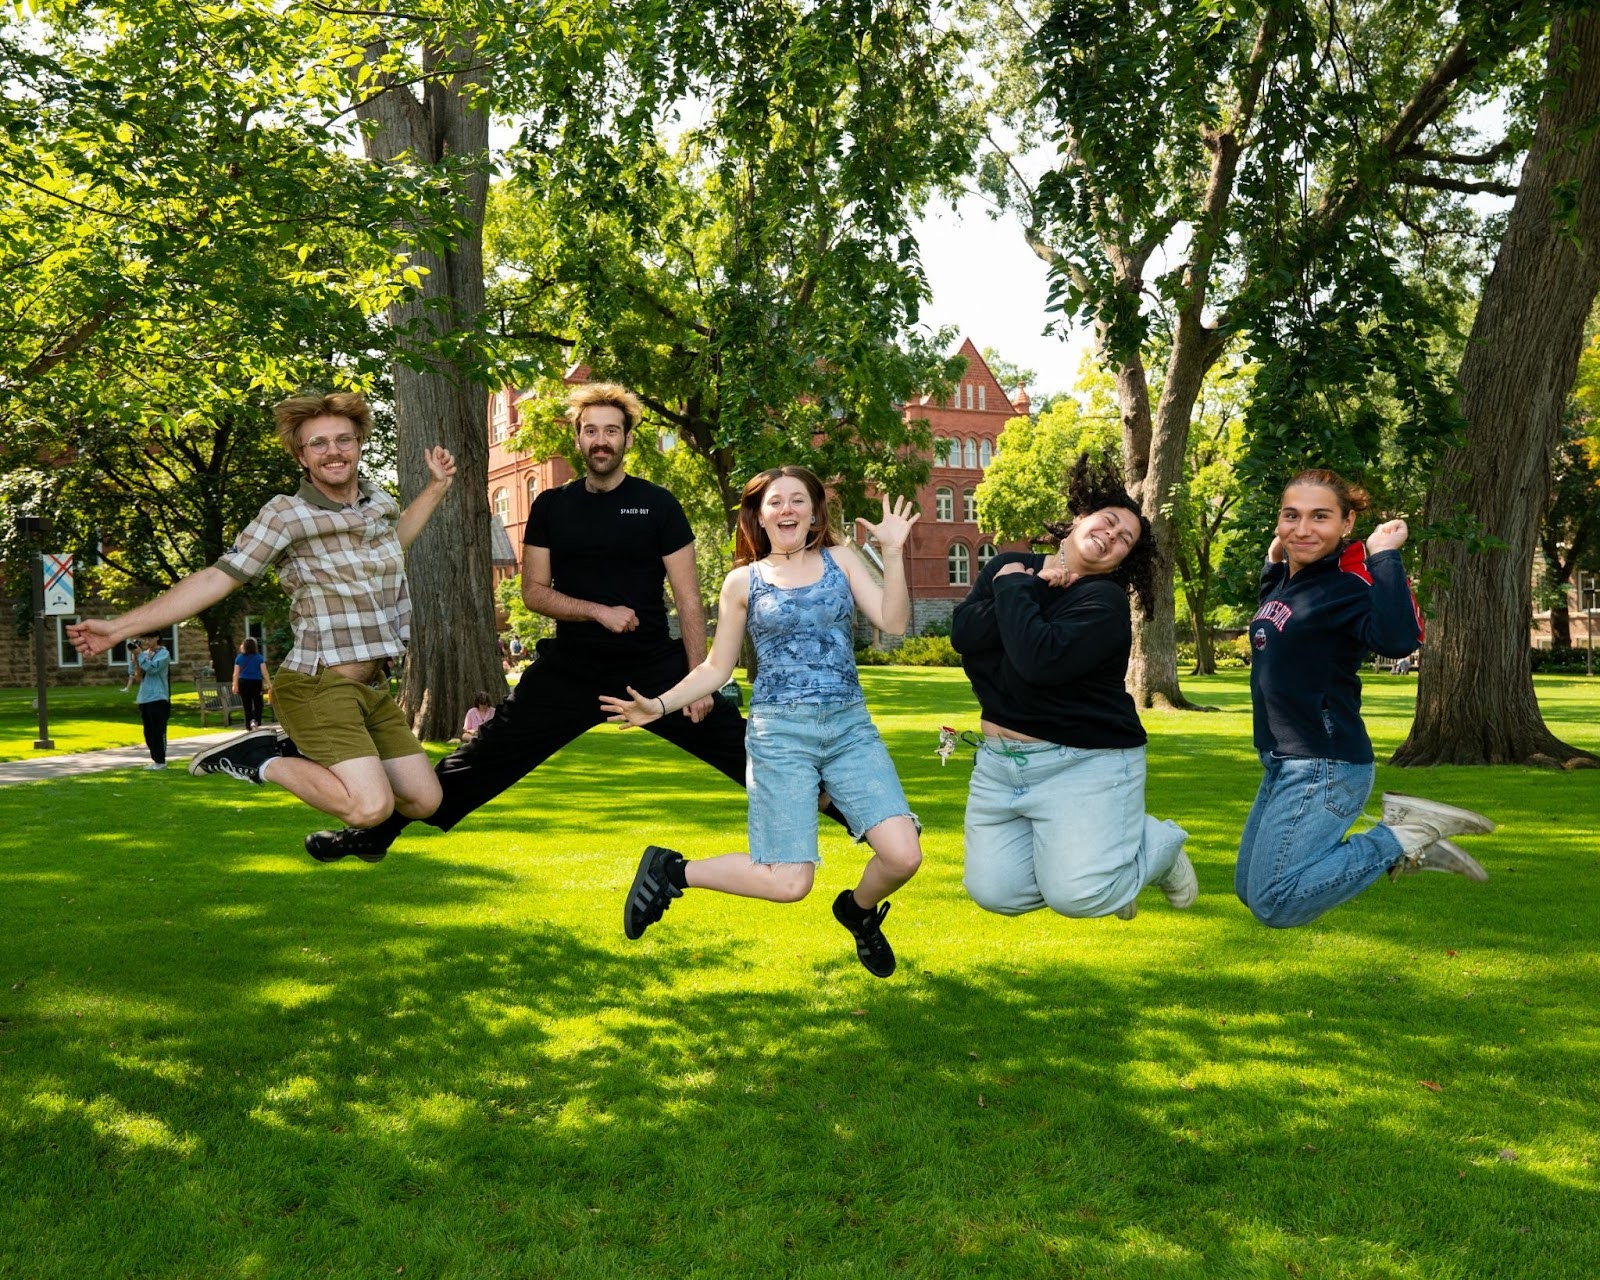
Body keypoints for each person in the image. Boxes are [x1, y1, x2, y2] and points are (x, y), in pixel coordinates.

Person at [300, 382, 842, 866]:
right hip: (572, 670)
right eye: (590, 431)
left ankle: (854, 813)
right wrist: (597, 611)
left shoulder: (658, 505)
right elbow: (534, 592)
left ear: (627, 438)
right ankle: (375, 834)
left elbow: (689, 598)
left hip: (652, 667)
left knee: (744, 749)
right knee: (484, 758)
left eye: (611, 430)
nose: (600, 440)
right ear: (577, 440)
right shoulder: (552, 507)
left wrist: (700, 680)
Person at [68, 392, 456, 835]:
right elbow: (218, 578)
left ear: (359, 444)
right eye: (318, 443)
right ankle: (261, 758)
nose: (334, 451)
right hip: (318, 684)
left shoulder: (376, 503)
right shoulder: (285, 514)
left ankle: (291, 747)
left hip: (372, 687)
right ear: (301, 456)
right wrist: (119, 628)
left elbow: (393, 544)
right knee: (369, 809)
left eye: (344, 439)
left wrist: (436, 488)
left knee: (424, 801)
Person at [601, 466, 924, 978]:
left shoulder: (840, 559)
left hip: (848, 728)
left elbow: (896, 622)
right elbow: (715, 667)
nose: (788, 510)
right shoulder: (742, 582)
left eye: (798, 500)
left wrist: (890, 552)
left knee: (904, 856)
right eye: (776, 502)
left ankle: (857, 912)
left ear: (814, 511)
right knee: (789, 883)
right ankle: (672, 870)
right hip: (781, 735)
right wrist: (659, 705)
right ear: (760, 515)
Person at [1236, 468, 1495, 929]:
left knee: (1275, 901)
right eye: (1291, 515)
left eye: (1320, 517)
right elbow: (1272, 627)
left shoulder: (1350, 585)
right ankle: (1406, 845)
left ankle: (1399, 836)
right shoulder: (1295, 580)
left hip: (1323, 763)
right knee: (1247, 888)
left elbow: (1398, 639)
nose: (1302, 528)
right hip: (1282, 758)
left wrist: (1384, 558)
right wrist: (1273, 566)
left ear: (1346, 524)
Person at [950, 455, 1195, 923]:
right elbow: (965, 635)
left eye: (1125, 540)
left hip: (1084, 760)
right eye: (1108, 522)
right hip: (1001, 765)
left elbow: (1037, 660)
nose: (1112, 536)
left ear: (1125, 559)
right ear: (1081, 516)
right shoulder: (1009, 565)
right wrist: (1029, 583)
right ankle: (1106, 863)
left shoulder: (1101, 601)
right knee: (995, 892)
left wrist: (1022, 589)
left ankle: (1154, 849)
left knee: (1076, 896)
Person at [134, 633, 171, 770]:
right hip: (144, 697)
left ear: (157, 638)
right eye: (144, 639)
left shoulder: (163, 654)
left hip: (158, 697)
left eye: (149, 638)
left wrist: (140, 656)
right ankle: (155, 760)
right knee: (148, 732)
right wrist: (135, 657)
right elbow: (136, 675)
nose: (146, 641)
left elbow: (153, 669)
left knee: (158, 731)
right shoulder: (144, 654)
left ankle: (160, 761)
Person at [232, 636, 271, 731]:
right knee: (258, 703)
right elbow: (264, 672)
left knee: (247, 704)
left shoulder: (239, 658)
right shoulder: (259, 658)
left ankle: (249, 724)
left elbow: (236, 673)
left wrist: (235, 685)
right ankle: (256, 721)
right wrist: (269, 684)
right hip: (256, 682)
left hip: (243, 682)